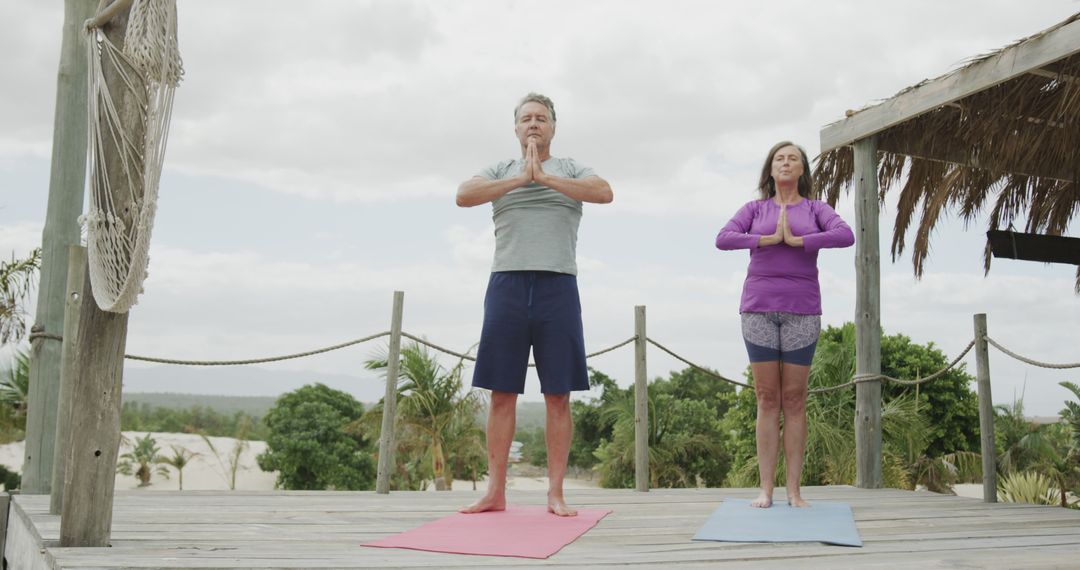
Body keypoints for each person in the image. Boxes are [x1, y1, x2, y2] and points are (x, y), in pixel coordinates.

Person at [455, 93, 613, 517]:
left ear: (553, 127)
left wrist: (543, 177)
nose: (533, 124)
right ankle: (495, 492)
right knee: (500, 392)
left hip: (558, 285)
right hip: (506, 283)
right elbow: (464, 194)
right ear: (515, 127)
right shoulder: (499, 170)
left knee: (558, 394)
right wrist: (521, 178)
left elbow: (604, 192)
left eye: (541, 118)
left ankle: (556, 493)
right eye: (526, 118)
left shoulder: (572, 169)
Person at [714, 141, 853, 508]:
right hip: (758, 308)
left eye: (793, 158)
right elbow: (723, 239)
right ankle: (765, 489)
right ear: (771, 170)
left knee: (794, 399)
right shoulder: (755, 209)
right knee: (766, 398)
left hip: (802, 310)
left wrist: (799, 240)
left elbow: (845, 235)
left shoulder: (815, 209)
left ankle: (793, 490)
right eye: (780, 158)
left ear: (803, 170)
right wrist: (768, 239)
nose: (786, 162)